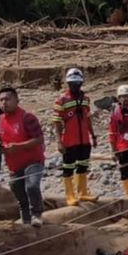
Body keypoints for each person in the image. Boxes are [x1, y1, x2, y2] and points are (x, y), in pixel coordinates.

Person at [0, 87, 46, 226]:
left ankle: (37, 214)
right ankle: (26, 221)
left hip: (33, 161)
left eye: (8, 99)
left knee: (32, 186)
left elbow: (39, 139)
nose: (4, 102)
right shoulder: (0, 120)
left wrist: (18, 146)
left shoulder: (26, 117)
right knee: (18, 192)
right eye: (2, 100)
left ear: (16, 100)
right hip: (14, 164)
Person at [52, 68, 97, 207]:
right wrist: (59, 141)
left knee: (83, 165)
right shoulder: (61, 101)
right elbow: (57, 122)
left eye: (77, 83)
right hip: (69, 141)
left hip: (84, 139)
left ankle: (82, 192)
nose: (75, 86)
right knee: (68, 168)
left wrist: (93, 135)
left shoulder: (86, 99)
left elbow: (87, 118)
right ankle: (70, 196)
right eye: (72, 84)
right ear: (68, 84)